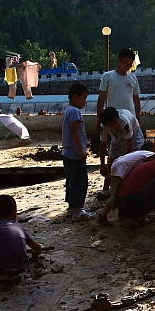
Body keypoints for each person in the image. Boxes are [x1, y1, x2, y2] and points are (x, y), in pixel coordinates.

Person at [97, 142, 155, 226]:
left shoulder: (143, 160)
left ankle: (136, 218)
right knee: (114, 195)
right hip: (121, 169)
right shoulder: (151, 155)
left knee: (135, 187)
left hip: (118, 168)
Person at [96, 48, 141, 196]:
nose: (127, 66)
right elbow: (101, 98)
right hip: (112, 119)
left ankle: (131, 185)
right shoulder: (108, 77)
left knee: (135, 155)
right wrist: (99, 118)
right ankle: (107, 188)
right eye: (124, 63)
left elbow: (136, 100)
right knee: (113, 156)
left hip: (130, 121)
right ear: (118, 60)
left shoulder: (132, 78)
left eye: (130, 64)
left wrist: (138, 119)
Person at [62, 83, 95, 221]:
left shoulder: (68, 110)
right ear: (75, 97)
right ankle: (77, 210)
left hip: (68, 153)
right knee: (79, 182)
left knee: (72, 180)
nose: (85, 101)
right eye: (84, 98)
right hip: (74, 154)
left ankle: (72, 207)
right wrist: (81, 151)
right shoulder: (74, 112)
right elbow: (75, 132)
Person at [98, 107, 145, 195]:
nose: (115, 125)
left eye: (116, 122)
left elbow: (129, 146)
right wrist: (102, 165)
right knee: (111, 158)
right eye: (111, 125)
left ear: (118, 119)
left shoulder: (125, 123)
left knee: (136, 159)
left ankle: (133, 186)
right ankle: (106, 189)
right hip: (116, 136)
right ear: (106, 125)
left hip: (133, 134)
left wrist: (127, 164)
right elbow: (102, 145)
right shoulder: (103, 128)